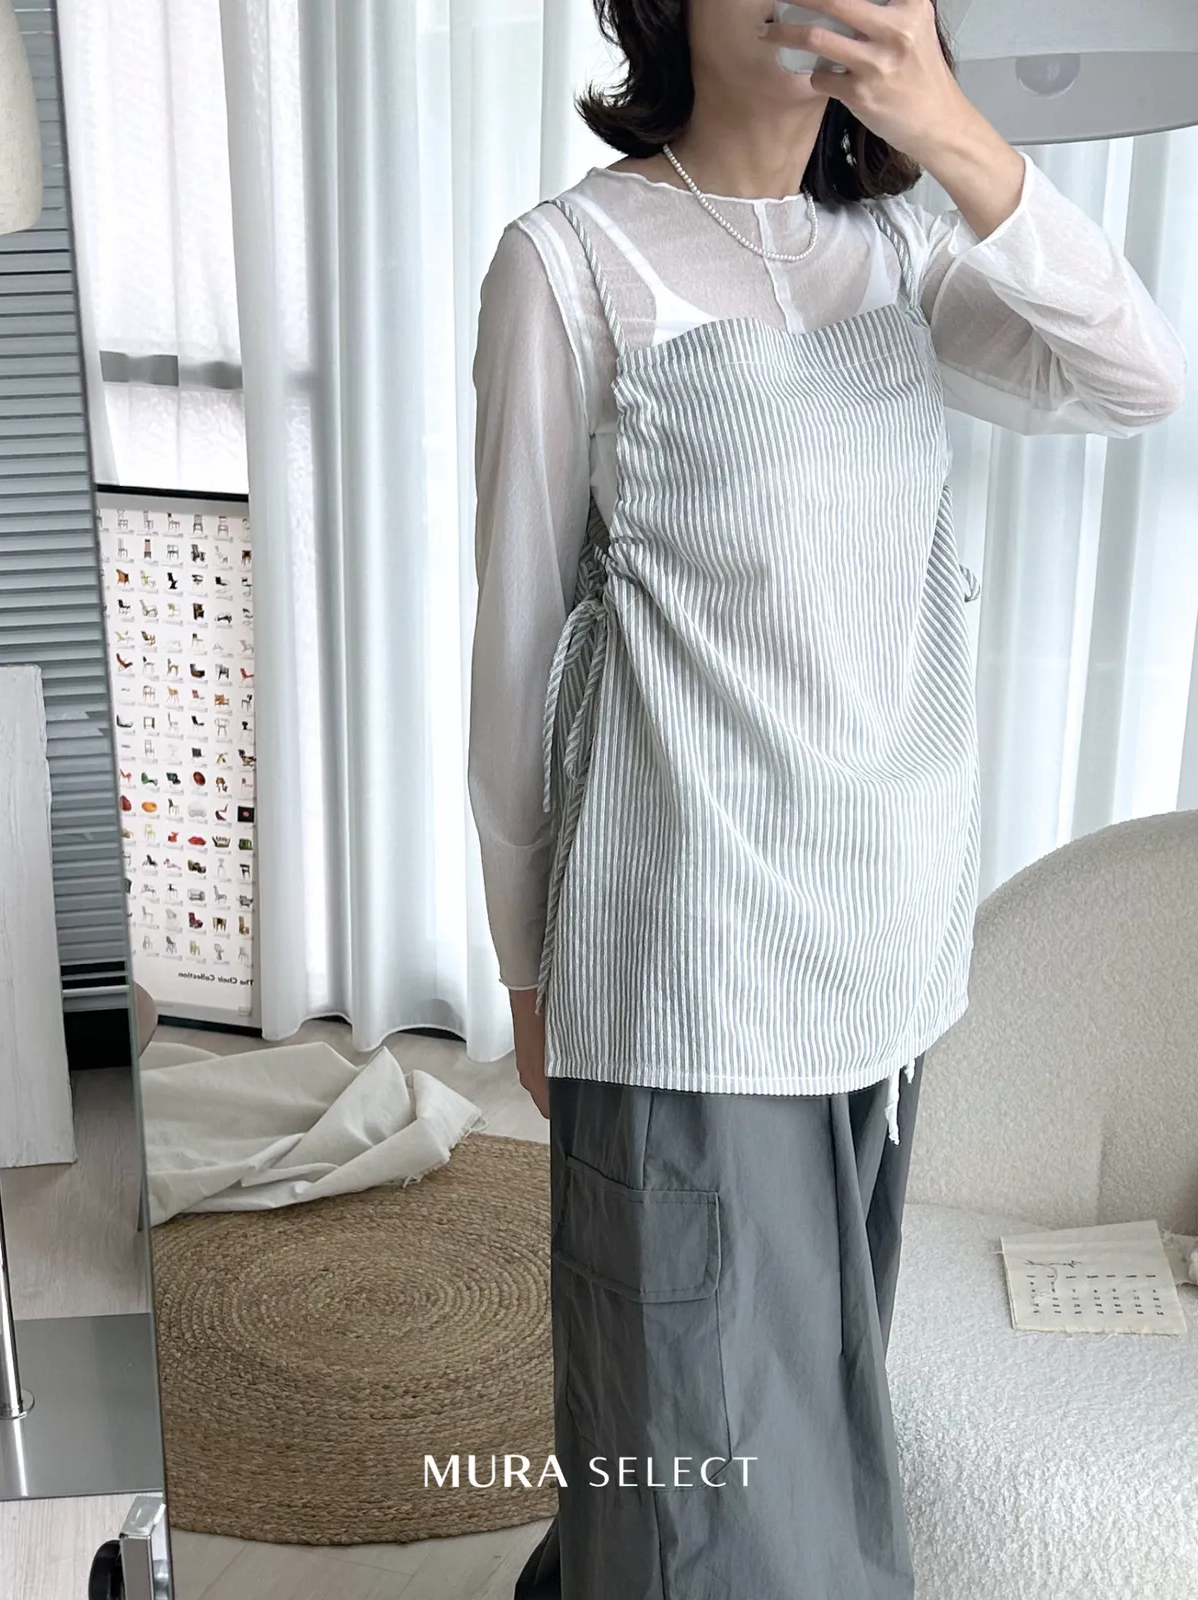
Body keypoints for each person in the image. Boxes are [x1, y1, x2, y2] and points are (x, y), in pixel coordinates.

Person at [467, 2, 1187, 1595]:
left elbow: (1136, 375)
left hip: (883, 953)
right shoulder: (572, 263)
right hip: (691, 960)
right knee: (709, 1464)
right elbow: (515, 653)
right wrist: (527, 966)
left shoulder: (905, 253)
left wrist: (955, 135)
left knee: (795, 1419)